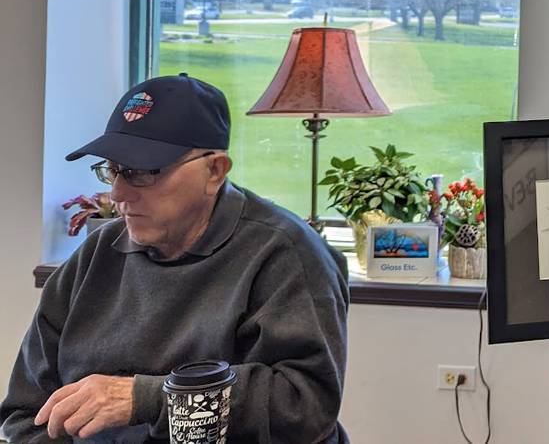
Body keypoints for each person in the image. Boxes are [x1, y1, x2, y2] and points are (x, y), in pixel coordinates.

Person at [0, 73, 350, 443]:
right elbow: (26, 412)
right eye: (113, 170)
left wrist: (147, 398)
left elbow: (305, 405)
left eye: (142, 172)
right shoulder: (95, 255)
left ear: (215, 170)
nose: (118, 193)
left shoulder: (285, 254)